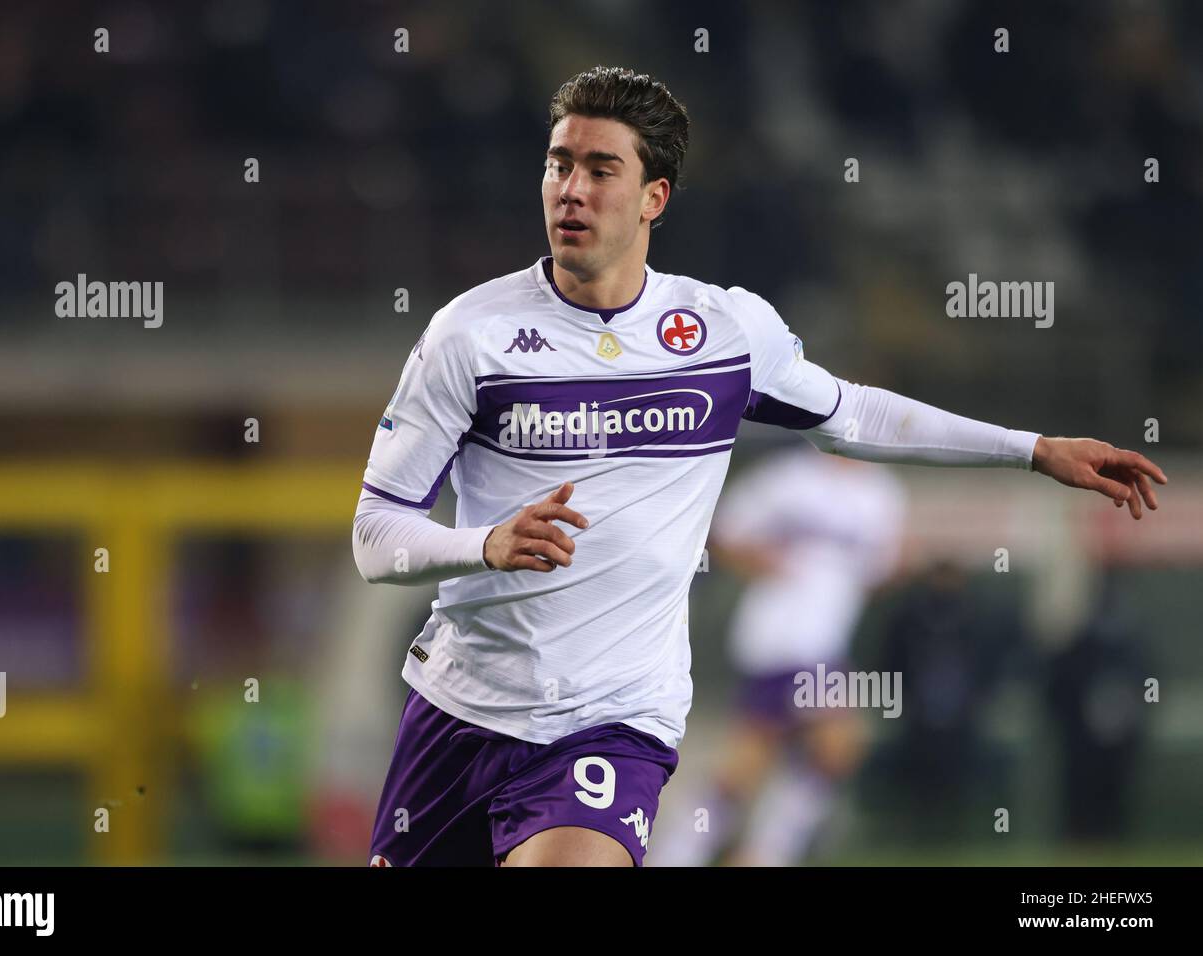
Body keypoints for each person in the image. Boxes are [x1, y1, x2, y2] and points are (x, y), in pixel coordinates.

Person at [351, 66, 1167, 867]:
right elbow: (374, 535)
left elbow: (855, 414)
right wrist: (483, 544)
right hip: (462, 710)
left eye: (602, 169)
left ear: (653, 198)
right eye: (559, 164)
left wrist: (1032, 449)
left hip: (613, 719)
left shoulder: (723, 331)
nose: (571, 189)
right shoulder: (470, 336)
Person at [651, 450, 907, 866]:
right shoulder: (790, 477)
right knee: (835, 744)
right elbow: (724, 531)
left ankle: (688, 853)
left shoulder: (881, 492)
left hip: (824, 638)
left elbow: (876, 570)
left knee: (755, 765)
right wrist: (756, 559)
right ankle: (757, 853)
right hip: (780, 636)